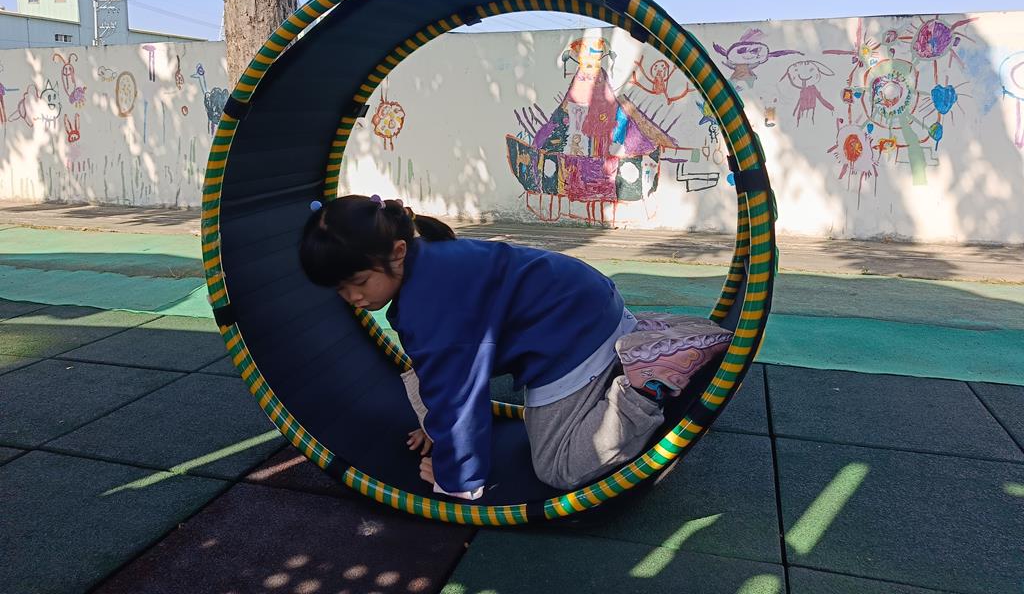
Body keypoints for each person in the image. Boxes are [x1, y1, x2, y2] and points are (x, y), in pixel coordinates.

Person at [300, 193, 733, 500]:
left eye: (359, 282)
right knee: (427, 372)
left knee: (558, 467)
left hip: (570, 340)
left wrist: (457, 477)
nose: (353, 298)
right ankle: (647, 336)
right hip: (581, 304)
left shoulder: (432, 307)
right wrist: (437, 429)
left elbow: (458, 394)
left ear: (397, 252)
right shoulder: (425, 259)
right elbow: (438, 374)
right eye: (340, 290)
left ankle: (646, 384)